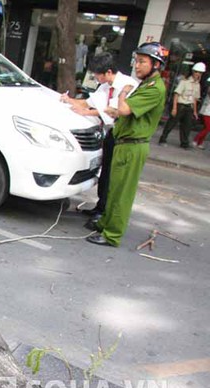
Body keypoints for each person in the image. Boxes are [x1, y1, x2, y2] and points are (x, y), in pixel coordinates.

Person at [86, 42, 167, 247]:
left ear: (156, 65)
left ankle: (112, 234)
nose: (137, 66)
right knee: (113, 188)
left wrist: (123, 93)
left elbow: (123, 109)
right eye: (136, 61)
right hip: (124, 143)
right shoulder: (145, 85)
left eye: (142, 62)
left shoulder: (154, 89)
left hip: (133, 145)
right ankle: (105, 223)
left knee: (122, 193)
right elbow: (119, 111)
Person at [60, 53, 138, 224]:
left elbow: (114, 111)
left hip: (123, 134)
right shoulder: (104, 86)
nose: (95, 77)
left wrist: (86, 112)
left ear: (108, 72)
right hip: (109, 133)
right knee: (105, 173)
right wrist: (69, 100)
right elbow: (89, 103)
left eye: (97, 74)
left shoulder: (128, 85)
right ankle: (100, 206)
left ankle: (105, 212)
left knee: (112, 175)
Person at [157, 62, 205, 149]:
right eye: (196, 72)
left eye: (200, 73)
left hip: (189, 107)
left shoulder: (198, 85)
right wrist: (174, 108)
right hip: (180, 105)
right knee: (171, 123)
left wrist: (195, 111)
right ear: (193, 72)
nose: (197, 74)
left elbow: (195, 99)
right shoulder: (184, 82)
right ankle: (163, 138)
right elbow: (176, 94)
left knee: (187, 126)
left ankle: (184, 143)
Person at [193, 76, 210, 149]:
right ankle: (196, 139)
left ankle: (200, 143)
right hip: (207, 112)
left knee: (206, 128)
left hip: (207, 112)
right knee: (207, 128)